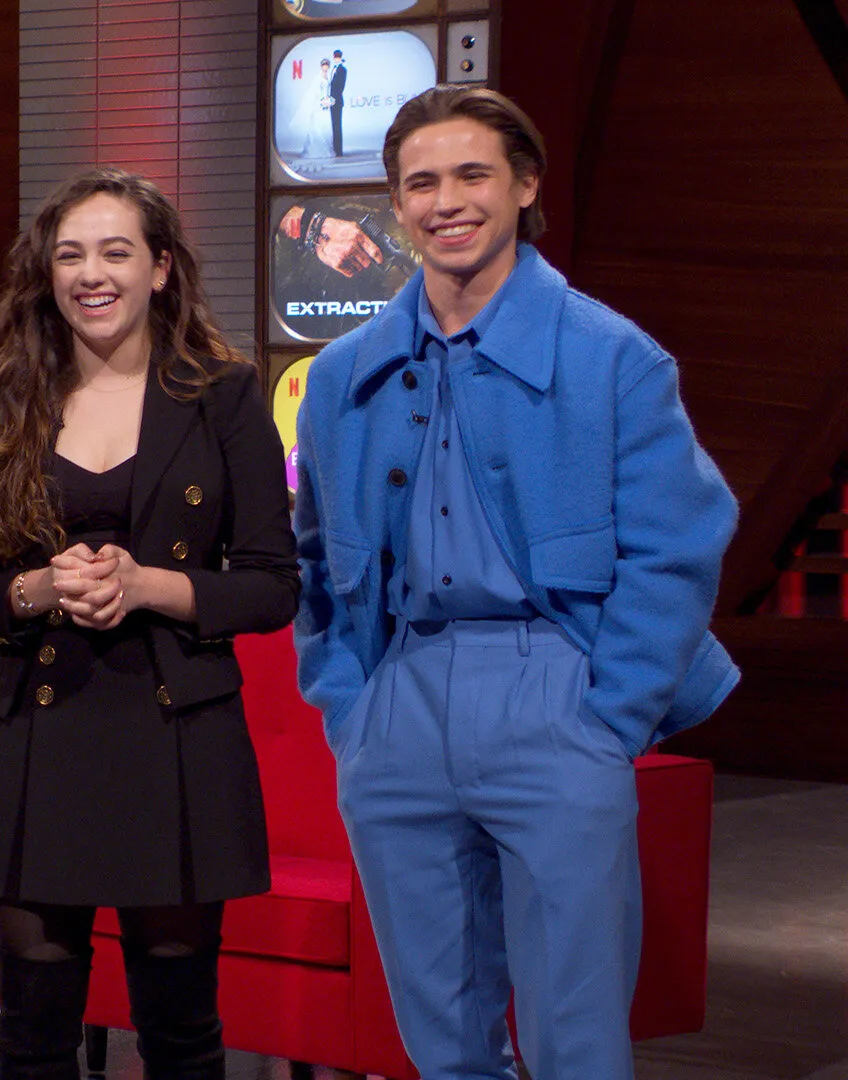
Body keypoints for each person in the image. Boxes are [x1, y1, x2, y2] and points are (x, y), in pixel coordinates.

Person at [293, 86, 738, 1080]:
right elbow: (315, 554)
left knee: (575, 1038)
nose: (446, 201)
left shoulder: (613, 356)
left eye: (472, 175)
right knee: (439, 1038)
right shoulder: (341, 375)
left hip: (557, 693)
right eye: (421, 183)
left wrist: (612, 716)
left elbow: (678, 548)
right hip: (398, 700)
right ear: (396, 205)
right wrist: (348, 706)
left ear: (525, 185)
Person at [0, 167, 299, 1080]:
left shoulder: (225, 396)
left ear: (160, 268)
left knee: (180, 1035)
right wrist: (37, 590)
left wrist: (148, 586)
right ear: (46, 273)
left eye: (116, 252)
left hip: (177, 738)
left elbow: (271, 587)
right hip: (34, 737)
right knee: (31, 1034)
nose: (91, 274)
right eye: (70, 256)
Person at [298, 58, 334, 159]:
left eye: (327, 66)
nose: (325, 67)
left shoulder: (328, 76)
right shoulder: (318, 77)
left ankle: (326, 148)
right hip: (319, 103)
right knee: (317, 125)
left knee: (325, 125)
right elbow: (316, 90)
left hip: (325, 103)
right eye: (324, 65)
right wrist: (322, 100)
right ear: (321, 66)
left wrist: (328, 99)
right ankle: (315, 150)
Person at [328, 49, 348, 156]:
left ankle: (339, 150)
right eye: (335, 57)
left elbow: (340, 87)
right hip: (331, 101)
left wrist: (332, 99)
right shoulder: (333, 69)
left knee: (337, 126)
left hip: (337, 101)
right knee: (334, 125)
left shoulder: (343, 70)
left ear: (340, 58)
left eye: (338, 57)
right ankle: (335, 149)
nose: (336, 59)